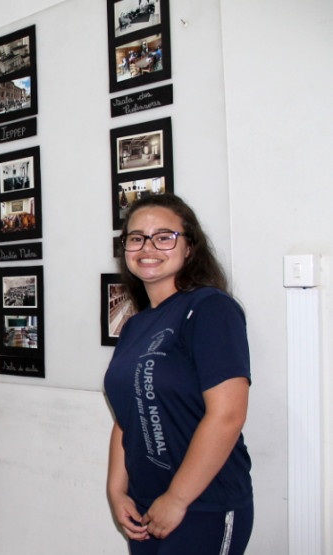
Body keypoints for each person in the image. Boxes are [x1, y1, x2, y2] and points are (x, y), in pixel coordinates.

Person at [104, 194, 253, 554]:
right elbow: (127, 415)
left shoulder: (210, 308)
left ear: (189, 248)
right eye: (136, 237)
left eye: (164, 236)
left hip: (203, 504)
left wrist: (177, 497)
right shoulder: (135, 325)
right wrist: (116, 490)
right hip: (144, 505)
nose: (148, 246)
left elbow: (228, 415)